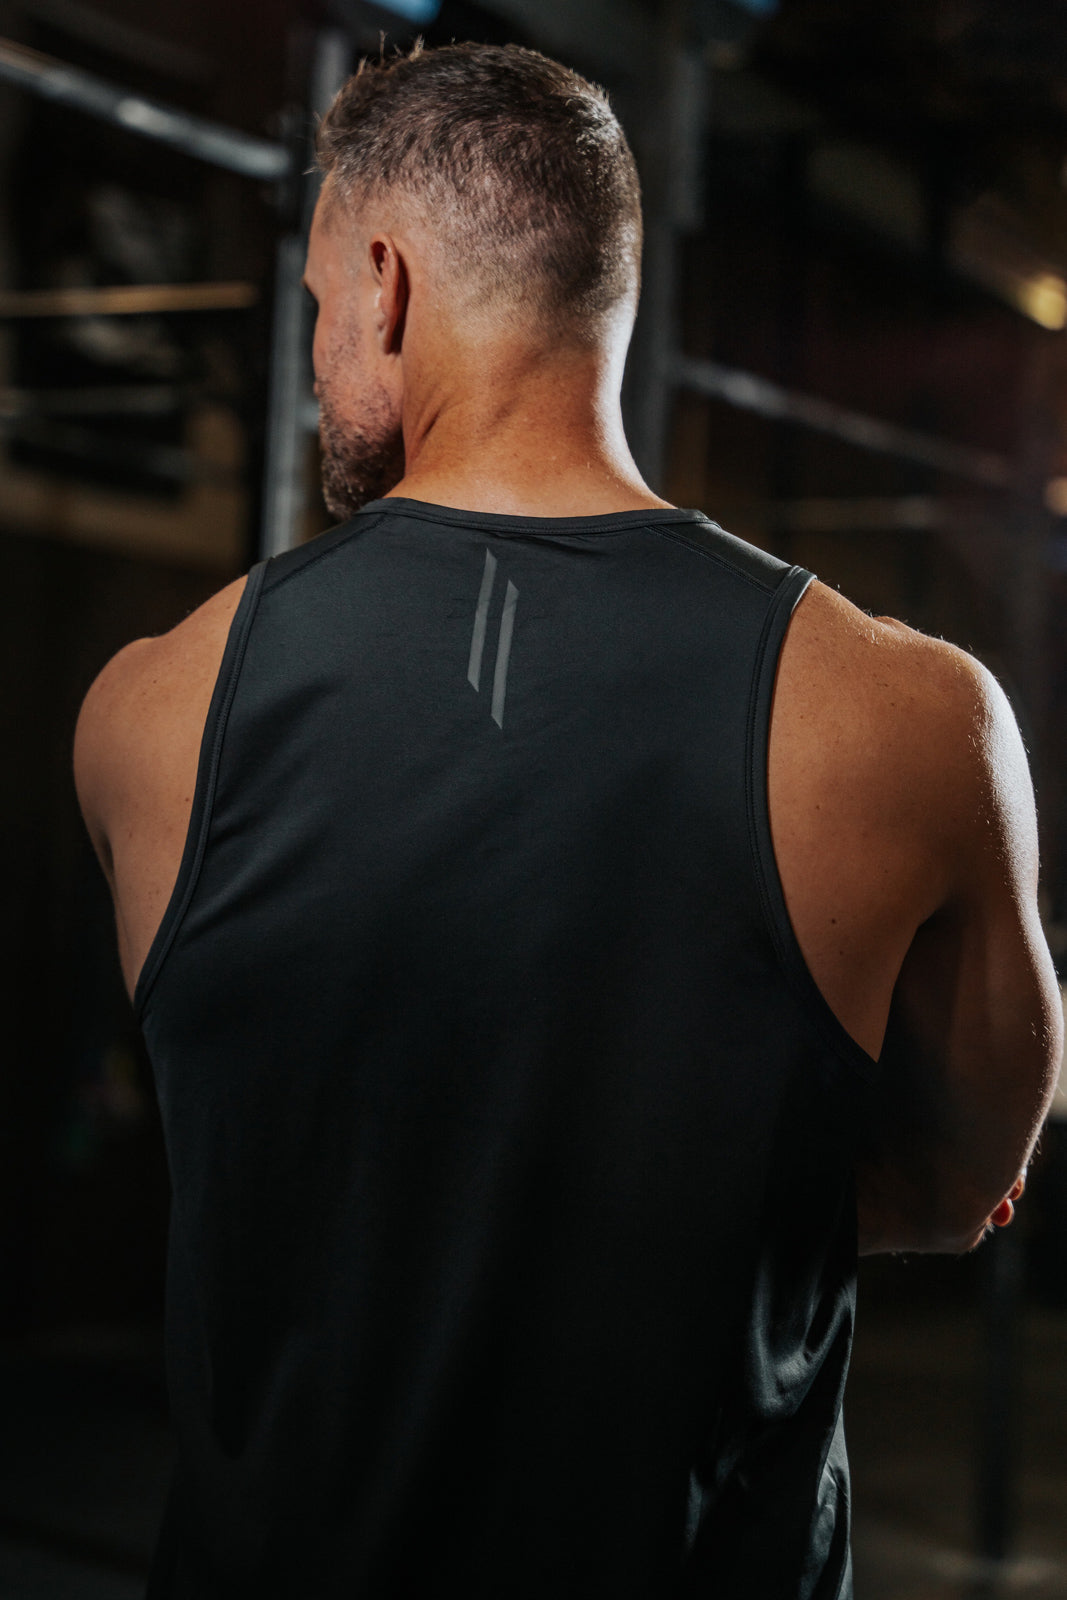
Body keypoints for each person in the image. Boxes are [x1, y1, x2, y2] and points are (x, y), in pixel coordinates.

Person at [74, 40, 1060, 1600]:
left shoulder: (152, 710)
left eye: (325, 306)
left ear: (386, 284)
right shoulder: (917, 719)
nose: (325, 347)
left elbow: (274, 1148)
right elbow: (955, 1187)